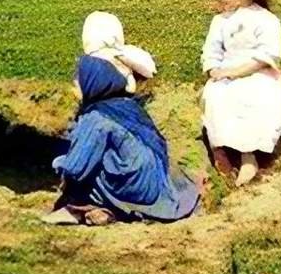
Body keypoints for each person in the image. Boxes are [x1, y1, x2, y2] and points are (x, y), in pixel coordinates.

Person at [45, 54, 199, 226]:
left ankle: (83, 209)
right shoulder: (128, 105)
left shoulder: (96, 117)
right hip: (155, 184)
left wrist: (58, 163)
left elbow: (75, 168)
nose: (74, 86)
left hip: (134, 187)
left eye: (77, 81)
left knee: (79, 174)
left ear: (91, 83)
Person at [200, 0, 281, 188]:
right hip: (226, 74)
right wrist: (214, 69)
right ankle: (220, 151)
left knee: (252, 99)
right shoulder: (220, 21)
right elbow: (212, 50)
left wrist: (237, 72)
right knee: (216, 98)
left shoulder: (265, 20)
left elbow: (268, 54)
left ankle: (249, 157)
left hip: (257, 72)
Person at [79, 10, 158, 92]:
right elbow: (136, 64)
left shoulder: (85, 61)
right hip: (114, 88)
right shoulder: (116, 55)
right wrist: (148, 73)